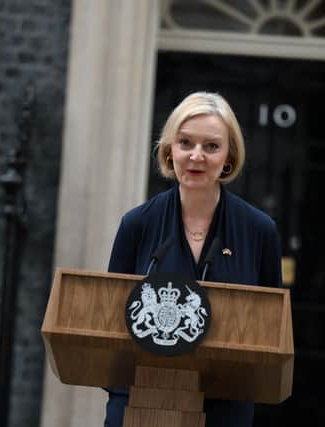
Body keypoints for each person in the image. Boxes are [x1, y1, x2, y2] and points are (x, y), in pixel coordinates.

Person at [105, 91, 282, 427]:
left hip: (223, 408)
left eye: (211, 146)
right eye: (185, 142)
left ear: (229, 157)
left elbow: (268, 331)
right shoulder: (137, 224)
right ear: (170, 151)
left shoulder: (259, 231)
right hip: (141, 402)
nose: (196, 156)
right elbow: (110, 325)